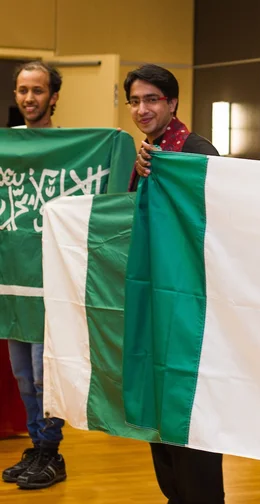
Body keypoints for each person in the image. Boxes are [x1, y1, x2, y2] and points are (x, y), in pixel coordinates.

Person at [127, 64, 224, 504]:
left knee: (193, 421)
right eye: (134, 101)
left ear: (172, 103)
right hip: (158, 307)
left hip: (194, 312)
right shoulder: (150, 151)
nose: (141, 109)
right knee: (161, 423)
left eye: (151, 99)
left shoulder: (197, 150)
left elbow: (218, 219)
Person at [2, 60, 67, 491]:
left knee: (47, 376)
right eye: (23, 90)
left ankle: (52, 452)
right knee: (22, 374)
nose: (29, 98)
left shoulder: (73, 147)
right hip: (13, 281)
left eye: (38, 90)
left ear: (54, 97)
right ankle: (35, 444)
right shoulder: (7, 146)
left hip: (51, 282)